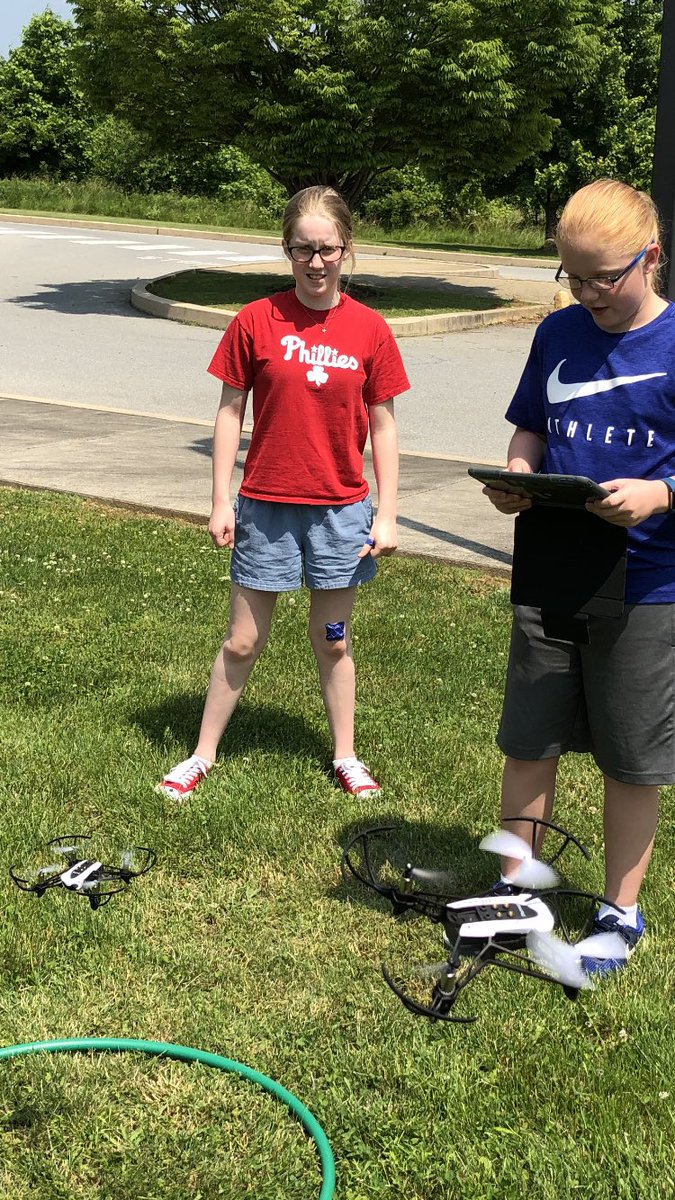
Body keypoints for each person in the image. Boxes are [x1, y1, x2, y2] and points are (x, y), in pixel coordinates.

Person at [157, 185, 410, 802]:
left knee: (335, 640)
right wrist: (221, 498)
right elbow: (228, 413)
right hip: (266, 507)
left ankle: (346, 755)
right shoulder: (255, 320)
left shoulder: (371, 329)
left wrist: (388, 514)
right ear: (286, 249)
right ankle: (202, 753)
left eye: (327, 249)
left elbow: (383, 425)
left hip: (340, 511)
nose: (316, 262)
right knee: (243, 640)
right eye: (303, 249)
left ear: (347, 249)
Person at [483, 178, 675, 975]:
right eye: (573, 276)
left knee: (631, 758)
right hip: (550, 567)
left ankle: (618, 910)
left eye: (605, 277)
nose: (589, 293)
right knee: (529, 742)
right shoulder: (559, 332)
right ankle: (514, 892)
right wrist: (515, 474)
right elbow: (531, 425)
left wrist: (663, 492)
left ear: (651, 257)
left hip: (644, 583)